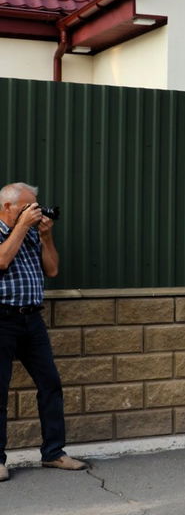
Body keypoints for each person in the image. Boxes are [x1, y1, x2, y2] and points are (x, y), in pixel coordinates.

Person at [0, 182, 87, 480]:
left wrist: (46, 237)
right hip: (2, 319)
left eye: (35, 205)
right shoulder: (10, 231)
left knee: (50, 384)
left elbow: (51, 270)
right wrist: (22, 228)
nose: (34, 211)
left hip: (31, 320)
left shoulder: (33, 233)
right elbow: (1, 260)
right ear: (8, 207)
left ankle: (54, 453)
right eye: (27, 206)